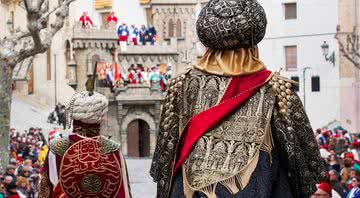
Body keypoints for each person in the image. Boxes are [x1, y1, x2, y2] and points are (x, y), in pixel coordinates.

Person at [150, 0, 327, 197]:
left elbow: (163, 164)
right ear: (254, 41)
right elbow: (304, 167)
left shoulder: (179, 86)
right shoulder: (278, 90)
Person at [39, 74, 131, 198]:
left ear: (74, 117)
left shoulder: (57, 148)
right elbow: (122, 193)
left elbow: (46, 190)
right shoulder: (113, 149)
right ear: (100, 119)